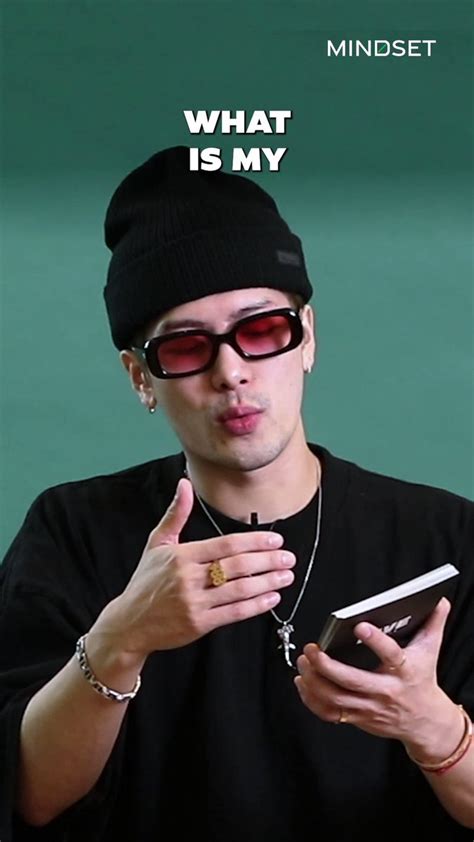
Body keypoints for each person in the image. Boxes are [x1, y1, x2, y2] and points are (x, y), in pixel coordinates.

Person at [0, 146, 473, 842]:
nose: (231, 372)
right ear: (140, 378)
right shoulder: (72, 530)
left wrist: (433, 728)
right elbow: (29, 798)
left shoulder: (446, 537)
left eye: (261, 330)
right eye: (187, 347)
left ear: (306, 338)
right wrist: (121, 641)